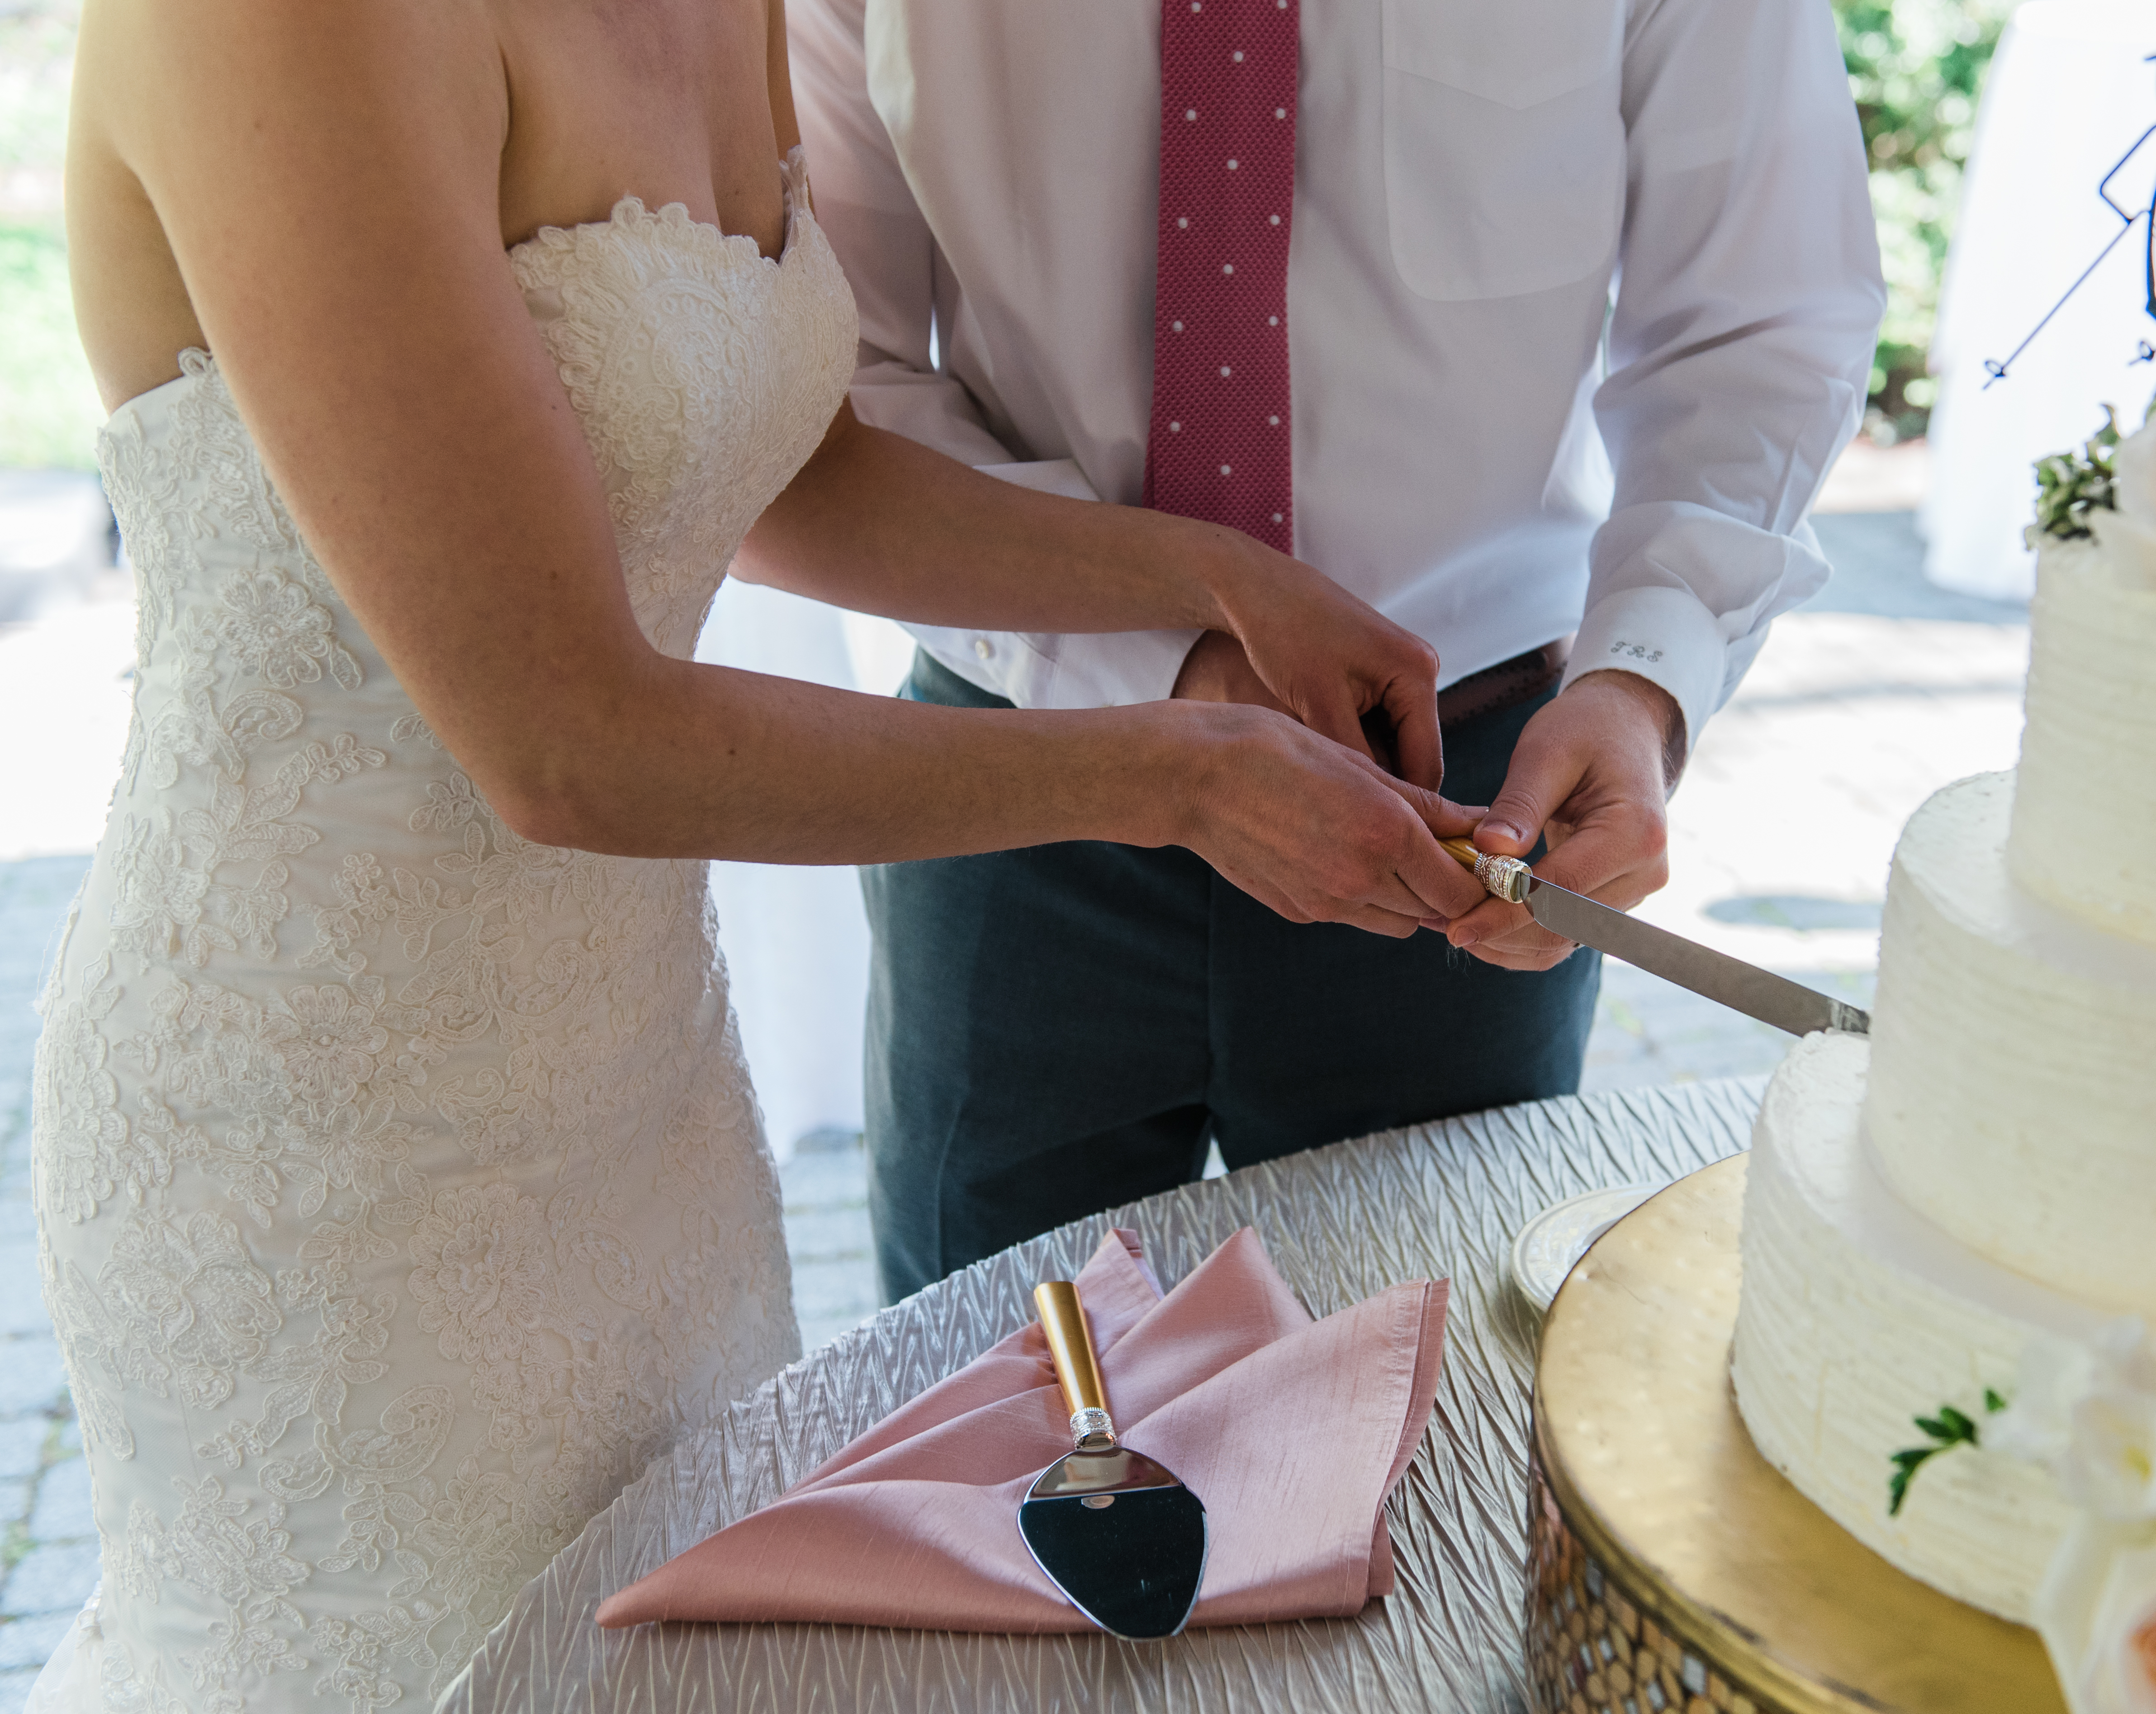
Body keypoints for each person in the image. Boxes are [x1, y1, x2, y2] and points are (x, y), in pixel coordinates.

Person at [31, 0, 1490, 1706]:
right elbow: (566, 740)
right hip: (313, 1144)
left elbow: (783, 466)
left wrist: (1213, 579)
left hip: (633, 1097)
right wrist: (1170, 775)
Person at [787, 0, 1885, 1300]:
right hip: (1021, 765)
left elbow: (1757, 320)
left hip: (1469, 804)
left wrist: (1644, 680)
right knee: (992, 1403)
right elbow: (821, 382)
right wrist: (1170, 665)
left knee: (1432, 1406)